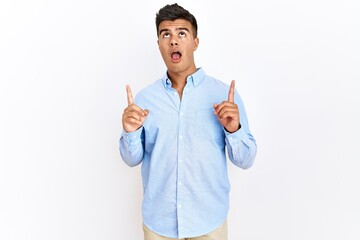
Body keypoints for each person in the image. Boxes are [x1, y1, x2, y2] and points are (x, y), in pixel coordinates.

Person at [119, 3, 257, 240]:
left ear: (195, 42)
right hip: (158, 225)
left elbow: (246, 159)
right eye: (166, 34)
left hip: (208, 223)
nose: (174, 40)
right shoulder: (144, 100)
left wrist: (234, 130)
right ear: (159, 44)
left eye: (182, 33)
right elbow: (131, 159)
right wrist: (130, 132)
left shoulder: (223, 95)